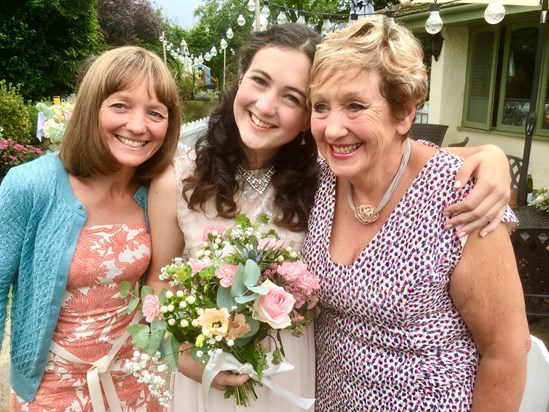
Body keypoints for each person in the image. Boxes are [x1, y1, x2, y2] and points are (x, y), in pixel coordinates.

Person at [146, 23, 514, 412]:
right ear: (239, 81)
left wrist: (490, 156)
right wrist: (184, 357)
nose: (267, 106)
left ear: (305, 117)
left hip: (295, 375)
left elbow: (403, 160)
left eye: (293, 98)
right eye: (259, 81)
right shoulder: (180, 179)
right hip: (214, 375)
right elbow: (156, 284)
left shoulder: (317, 177)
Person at [303, 15, 530, 411]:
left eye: (355, 105)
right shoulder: (322, 178)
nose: (332, 128)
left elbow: (507, 352)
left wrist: (487, 155)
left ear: (405, 112)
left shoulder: (461, 195)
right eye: (321, 106)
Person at [0, 45, 181, 411]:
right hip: (52, 391)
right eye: (120, 105)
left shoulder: (158, 192)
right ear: (90, 107)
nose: (137, 125)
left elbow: (168, 281)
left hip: (139, 384)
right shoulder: (28, 186)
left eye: (155, 113)